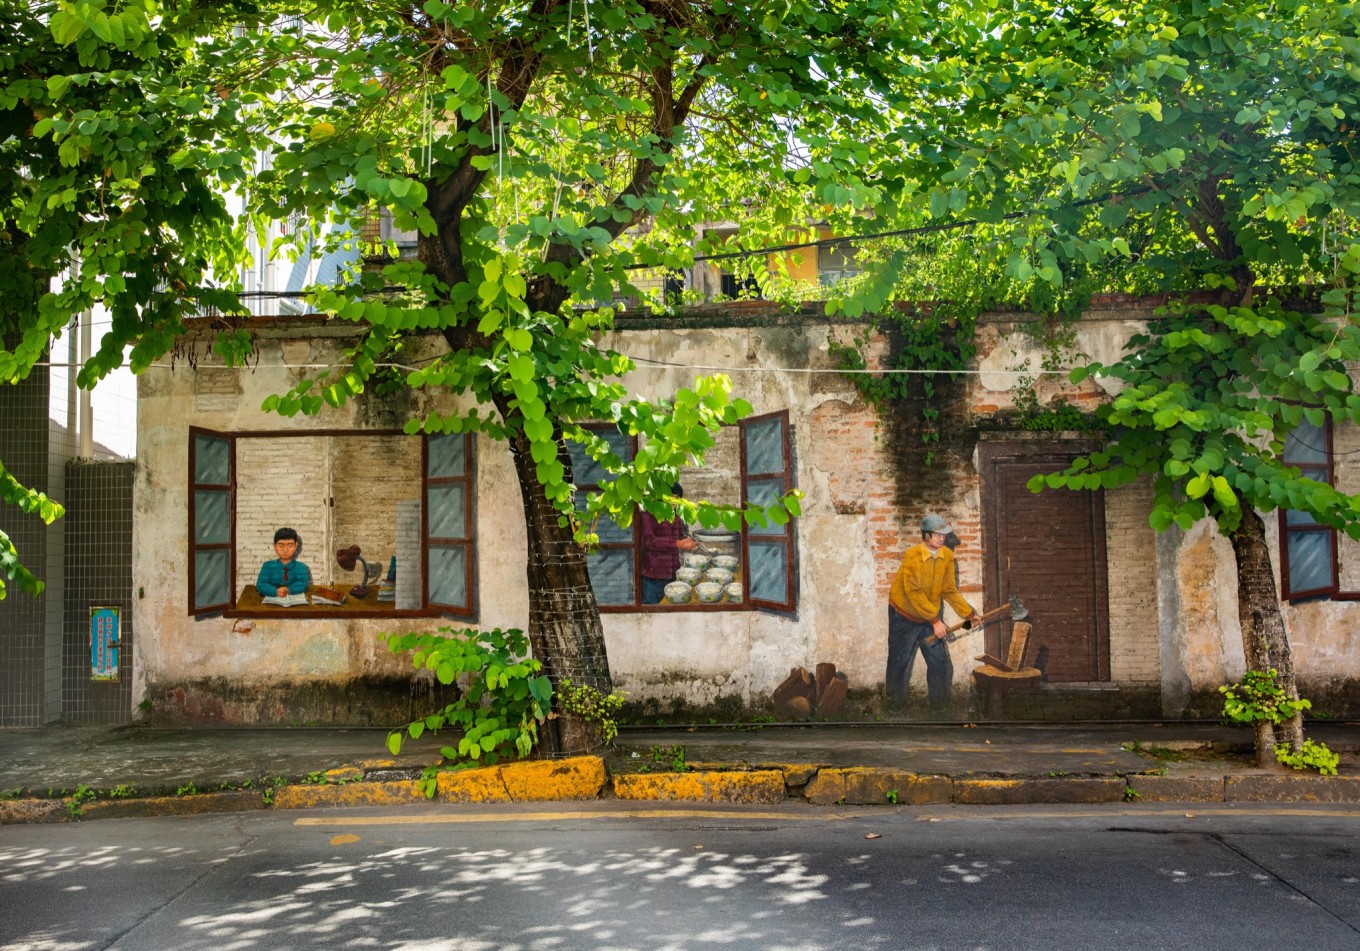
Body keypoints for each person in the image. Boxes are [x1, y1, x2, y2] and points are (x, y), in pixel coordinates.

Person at [886, 514, 978, 712]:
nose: (942, 539)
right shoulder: (913, 556)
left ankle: (939, 709)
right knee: (899, 660)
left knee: (939, 662)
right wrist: (936, 621)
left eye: (944, 535)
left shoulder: (947, 556)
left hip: (929, 616)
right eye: (937, 535)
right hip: (903, 614)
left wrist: (969, 614)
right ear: (926, 536)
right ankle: (893, 708)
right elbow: (914, 592)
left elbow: (949, 590)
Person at [639, 485, 697, 604]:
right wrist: (679, 543)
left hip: (672, 574)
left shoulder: (676, 517)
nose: (674, 502)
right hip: (653, 576)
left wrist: (688, 542)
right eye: (670, 497)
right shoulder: (647, 515)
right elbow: (650, 542)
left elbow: (679, 539)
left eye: (677, 498)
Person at [256, 527, 311, 598]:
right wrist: (275, 591)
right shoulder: (268, 566)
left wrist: (288, 590)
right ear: (274, 546)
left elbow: (304, 584)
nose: (285, 550)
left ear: (296, 546)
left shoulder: (301, 567)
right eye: (281, 546)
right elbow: (260, 584)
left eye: (290, 545)